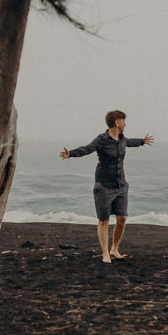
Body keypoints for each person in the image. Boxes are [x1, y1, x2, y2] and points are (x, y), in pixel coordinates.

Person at [61, 110, 154, 264]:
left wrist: (142, 141)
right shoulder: (102, 140)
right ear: (117, 123)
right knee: (104, 220)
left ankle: (114, 249)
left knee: (122, 218)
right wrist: (70, 154)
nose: (125, 124)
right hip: (104, 186)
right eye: (124, 121)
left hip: (121, 185)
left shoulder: (122, 139)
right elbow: (87, 149)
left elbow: (130, 142)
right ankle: (105, 253)